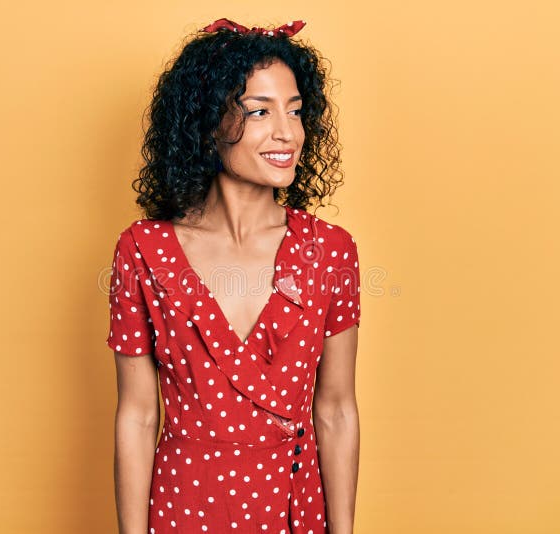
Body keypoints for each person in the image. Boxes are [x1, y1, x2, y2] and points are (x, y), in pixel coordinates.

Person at [106, 17, 361, 533]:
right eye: (260, 112)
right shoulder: (143, 250)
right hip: (185, 507)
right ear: (210, 123)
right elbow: (136, 417)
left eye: (295, 111)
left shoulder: (331, 252)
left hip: (294, 508)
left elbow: (335, 410)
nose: (287, 133)